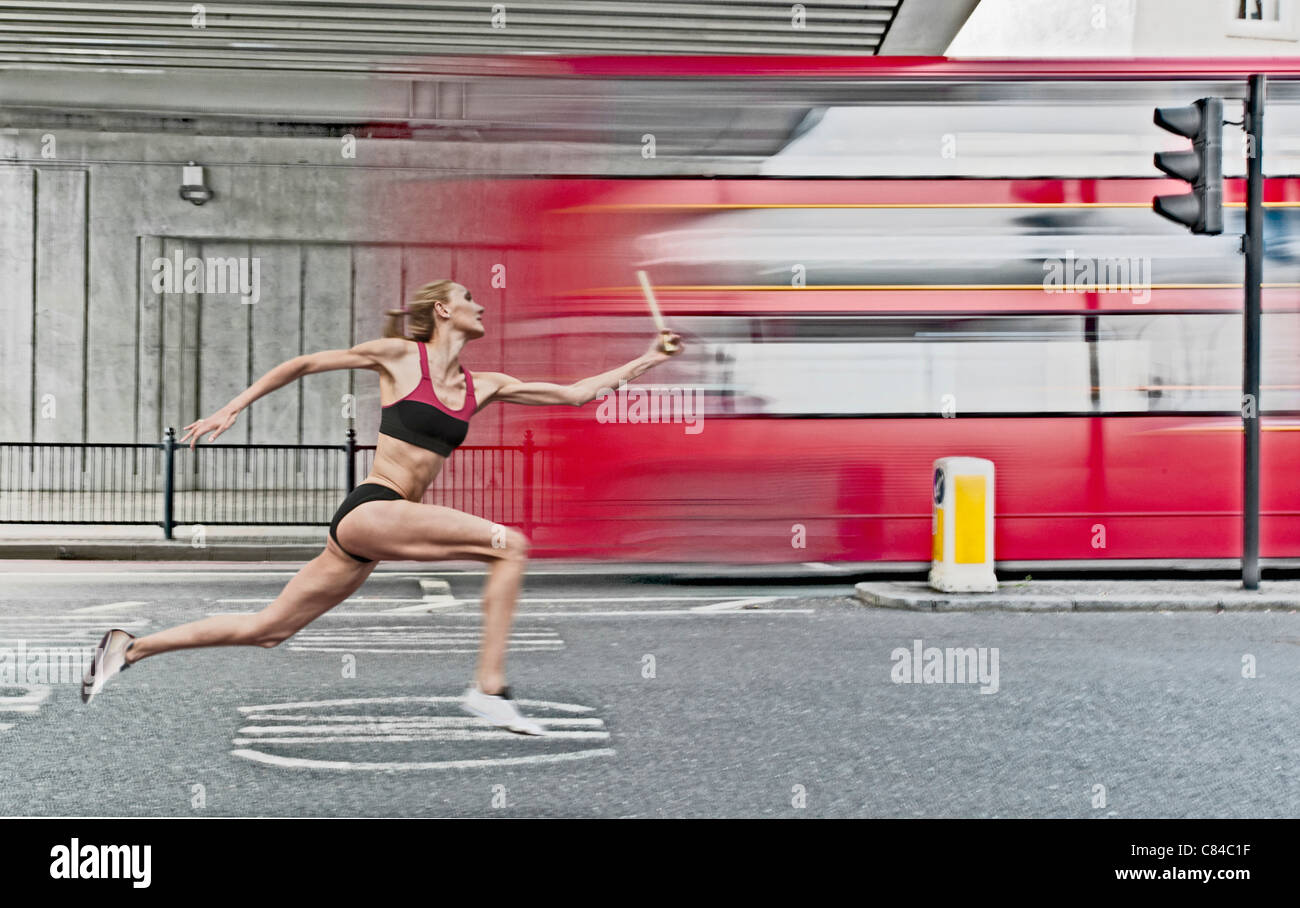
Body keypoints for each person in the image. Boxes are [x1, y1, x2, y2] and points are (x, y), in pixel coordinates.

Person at [81, 279, 683, 735]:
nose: (482, 305)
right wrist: (232, 408)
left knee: (270, 630)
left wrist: (651, 357)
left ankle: (129, 647)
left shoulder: (486, 385)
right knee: (511, 546)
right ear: (443, 311)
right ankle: (489, 690)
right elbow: (305, 363)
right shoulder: (399, 357)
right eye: (469, 297)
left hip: (376, 525)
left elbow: (577, 394)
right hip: (372, 506)